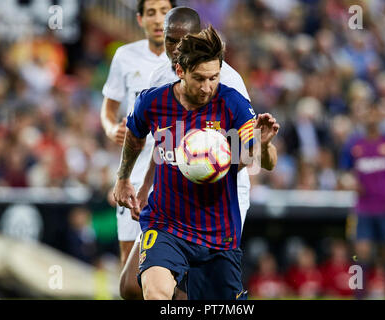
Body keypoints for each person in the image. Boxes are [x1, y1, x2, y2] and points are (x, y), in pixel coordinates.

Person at [113, 26, 279, 300]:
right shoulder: (153, 102)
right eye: (199, 78)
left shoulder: (232, 105)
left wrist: (264, 144)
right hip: (166, 225)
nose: (207, 87)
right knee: (154, 293)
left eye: (213, 78)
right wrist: (123, 178)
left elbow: (265, 162)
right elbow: (134, 135)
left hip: (218, 234)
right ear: (180, 71)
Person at [100, 0, 177, 296]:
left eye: (165, 12)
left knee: (172, 264)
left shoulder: (189, 62)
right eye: (151, 12)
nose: (159, 20)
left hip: (174, 171)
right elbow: (108, 110)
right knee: (130, 267)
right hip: (133, 171)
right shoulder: (124, 57)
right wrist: (111, 130)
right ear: (139, 19)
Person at [340, 102, 385, 297]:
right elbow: (344, 172)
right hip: (363, 208)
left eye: (375, 112)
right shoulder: (354, 144)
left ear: (381, 116)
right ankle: (359, 294)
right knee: (361, 252)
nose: (372, 116)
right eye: (368, 112)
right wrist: (349, 182)